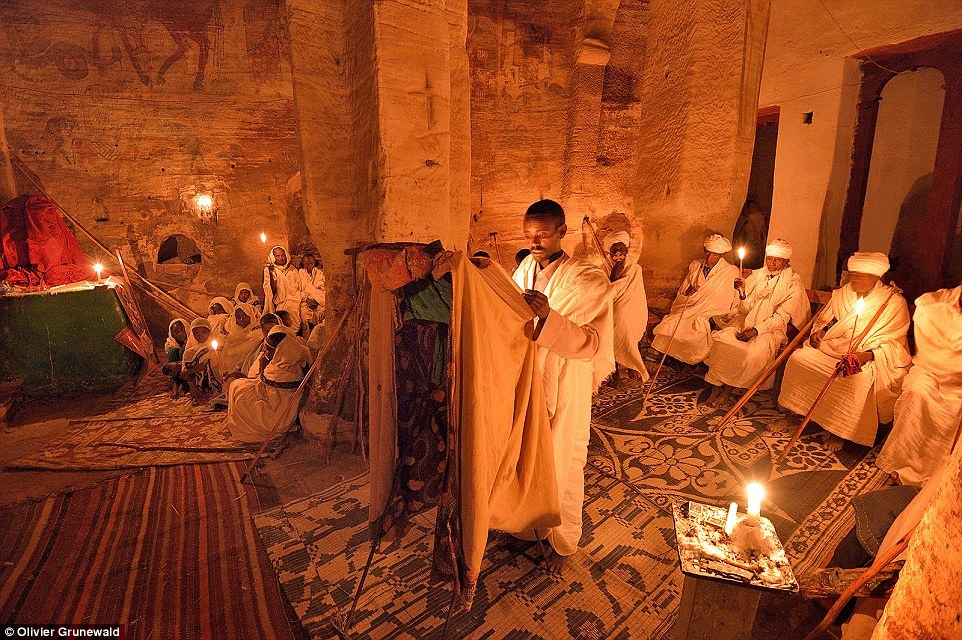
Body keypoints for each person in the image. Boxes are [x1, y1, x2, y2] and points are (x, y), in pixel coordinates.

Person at [512, 199, 614, 565]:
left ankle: (563, 540)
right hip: (529, 377)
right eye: (528, 235)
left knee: (564, 460)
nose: (534, 242)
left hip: (567, 380)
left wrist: (548, 318)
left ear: (561, 232)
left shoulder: (590, 281)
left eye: (542, 234)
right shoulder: (524, 269)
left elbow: (591, 342)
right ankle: (527, 527)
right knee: (527, 457)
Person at [779, 252, 911, 451]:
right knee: (799, 359)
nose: (854, 279)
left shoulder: (893, 302)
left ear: (876, 277)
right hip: (833, 348)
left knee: (855, 379)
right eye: (853, 274)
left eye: (861, 275)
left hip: (868, 356)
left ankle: (837, 430)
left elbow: (894, 344)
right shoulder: (842, 294)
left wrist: (866, 355)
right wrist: (819, 332)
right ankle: (793, 414)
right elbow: (826, 321)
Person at [704, 239, 809, 407]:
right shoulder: (758, 275)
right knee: (721, 343)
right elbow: (745, 308)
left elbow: (782, 317)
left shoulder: (793, 283)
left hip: (770, 330)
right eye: (769, 259)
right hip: (745, 322)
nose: (772, 263)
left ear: (786, 261)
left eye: (777, 260)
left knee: (749, 353)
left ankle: (726, 392)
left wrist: (756, 330)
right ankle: (715, 389)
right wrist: (742, 292)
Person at [875, 285, 961, 484]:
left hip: (958, 384)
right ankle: (900, 465)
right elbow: (931, 351)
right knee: (916, 392)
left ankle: (940, 473)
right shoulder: (934, 305)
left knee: (954, 410)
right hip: (928, 371)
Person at [651, 234, 740, 366]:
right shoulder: (696, 266)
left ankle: (687, 361)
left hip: (710, 312)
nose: (709, 257)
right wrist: (688, 292)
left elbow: (731, 298)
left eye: (714, 254)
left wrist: (726, 315)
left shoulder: (731, 272)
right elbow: (682, 291)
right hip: (690, 307)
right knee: (671, 324)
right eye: (708, 252)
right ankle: (669, 355)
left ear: (722, 255)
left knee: (697, 333)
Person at [226, 325, 311, 443]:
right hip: (272, 395)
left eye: (268, 350)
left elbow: (268, 386)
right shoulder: (290, 359)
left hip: (278, 409)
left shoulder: (282, 368)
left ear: (279, 350)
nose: (265, 352)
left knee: (239, 394)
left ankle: (250, 426)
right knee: (238, 385)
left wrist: (263, 365)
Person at [604, 230, 649, 384]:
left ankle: (630, 363)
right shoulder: (603, 268)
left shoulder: (636, 269)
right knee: (616, 319)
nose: (618, 253)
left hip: (631, 306)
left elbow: (636, 296)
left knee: (623, 317)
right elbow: (603, 292)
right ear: (609, 252)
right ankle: (615, 370)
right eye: (614, 250)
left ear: (626, 250)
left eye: (621, 249)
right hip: (610, 306)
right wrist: (613, 276)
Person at [179, 318, 223, 404]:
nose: (200, 336)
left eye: (204, 332)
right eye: (196, 333)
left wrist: (190, 371)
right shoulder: (189, 350)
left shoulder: (217, 343)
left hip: (217, 379)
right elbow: (184, 371)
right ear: (192, 334)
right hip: (198, 383)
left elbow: (214, 363)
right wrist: (192, 386)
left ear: (209, 331)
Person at [219, 302, 264, 384]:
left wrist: (232, 351)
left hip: (248, 369)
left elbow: (252, 346)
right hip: (231, 367)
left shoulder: (259, 331)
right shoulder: (234, 332)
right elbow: (226, 352)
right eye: (238, 317)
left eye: (245, 316)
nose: (242, 320)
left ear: (251, 315)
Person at [263, 245, 303, 330]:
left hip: (294, 298)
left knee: (293, 309)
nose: (281, 258)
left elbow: (299, 287)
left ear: (286, 255)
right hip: (280, 300)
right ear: (273, 257)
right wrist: (270, 273)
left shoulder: (292, 269)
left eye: (282, 255)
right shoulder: (270, 270)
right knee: (283, 312)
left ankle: (293, 333)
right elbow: (272, 290)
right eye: (278, 256)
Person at [298, 252, 325, 337]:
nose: (310, 266)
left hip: (318, 301)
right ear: (303, 262)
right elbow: (298, 290)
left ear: (314, 262)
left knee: (321, 313)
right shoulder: (299, 274)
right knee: (305, 316)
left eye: (311, 263)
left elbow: (323, 289)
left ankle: (319, 338)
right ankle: (307, 339)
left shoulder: (320, 273)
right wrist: (306, 299)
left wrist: (316, 300)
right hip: (305, 301)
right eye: (307, 264)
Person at [162, 318, 190, 397]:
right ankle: (176, 383)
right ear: (172, 334)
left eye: (182, 329)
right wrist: (170, 365)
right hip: (179, 366)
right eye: (176, 331)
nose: (180, 333)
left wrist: (178, 365)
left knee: (183, 349)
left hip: (189, 368)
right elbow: (165, 369)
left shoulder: (192, 340)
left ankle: (183, 383)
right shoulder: (171, 344)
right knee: (172, 351)